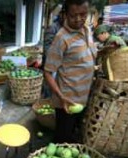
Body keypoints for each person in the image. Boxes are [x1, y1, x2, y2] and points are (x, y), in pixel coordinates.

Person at [45, 0, 97, 143]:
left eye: (83, 14)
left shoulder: (86, 29)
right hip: (67, 100)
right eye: (74, 15)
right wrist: (61, 97)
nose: (79, 19)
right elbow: (48, 72)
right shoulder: (61, 38)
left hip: (84, 96)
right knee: (62, 138)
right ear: (65, 15)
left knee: (75, 132)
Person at [42, 10, 65, 98]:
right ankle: (47, 101)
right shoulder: (53, 28)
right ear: (62, 15)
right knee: (49, 85)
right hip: (52, 65)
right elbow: (47, 48)